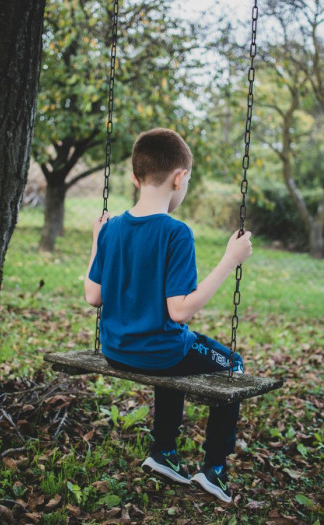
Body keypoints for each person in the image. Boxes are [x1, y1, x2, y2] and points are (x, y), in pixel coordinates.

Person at [84, 128, 252, 503]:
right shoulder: (176, 233)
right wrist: (229, 260)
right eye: (187, 180)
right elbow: (179, 311)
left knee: (172, 353)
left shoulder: (111, 230)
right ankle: (215, 470)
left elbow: (92, 295)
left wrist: (97, 242)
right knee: (233, 367)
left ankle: (165, 452)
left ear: (134, 176)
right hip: (160, 352)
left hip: (117, 349)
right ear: (179, 178)